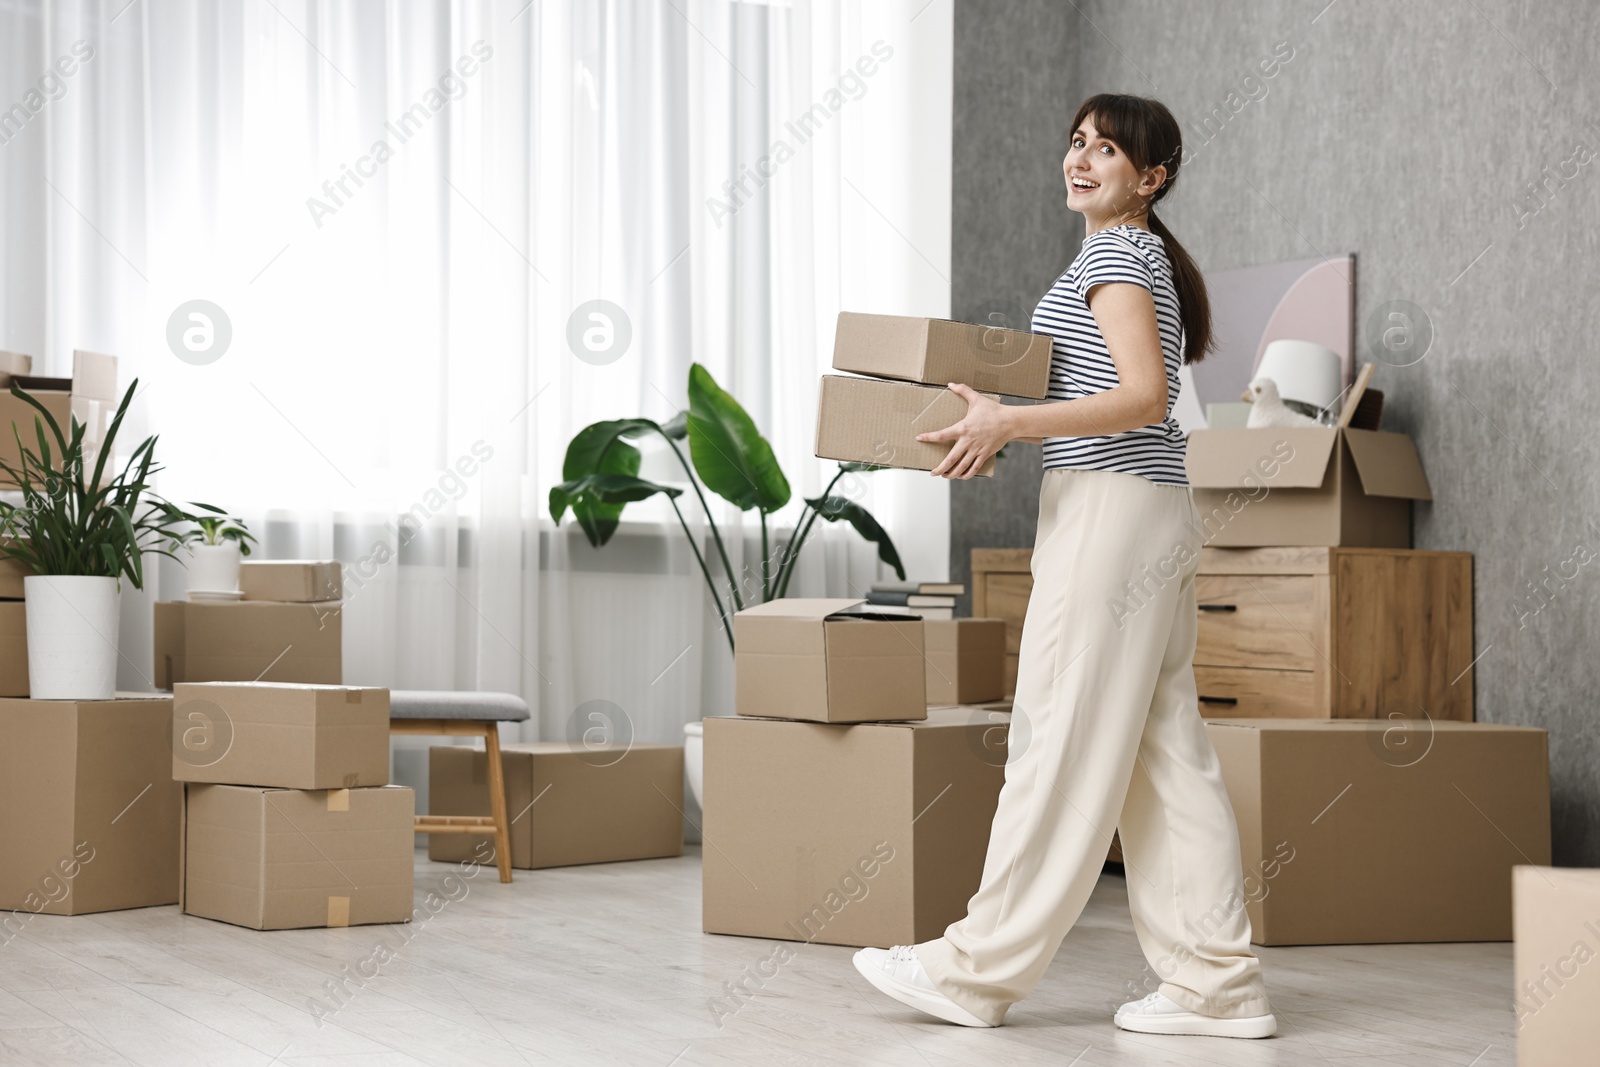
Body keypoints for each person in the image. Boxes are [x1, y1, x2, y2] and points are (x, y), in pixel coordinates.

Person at [850, 93, 1277, 1040]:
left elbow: (1141, 396)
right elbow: (1108, 391)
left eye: (1108, 149)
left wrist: (1010, 422)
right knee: (1166, 752)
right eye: (1077, 143)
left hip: (1113, 510)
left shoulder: (1121, 256)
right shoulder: (1130, 255)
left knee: (1058, 735)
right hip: (1145, 508)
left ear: (1151, 176)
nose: (1081, 159)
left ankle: (977, 968)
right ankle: (1218, 984)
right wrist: (996, 415)